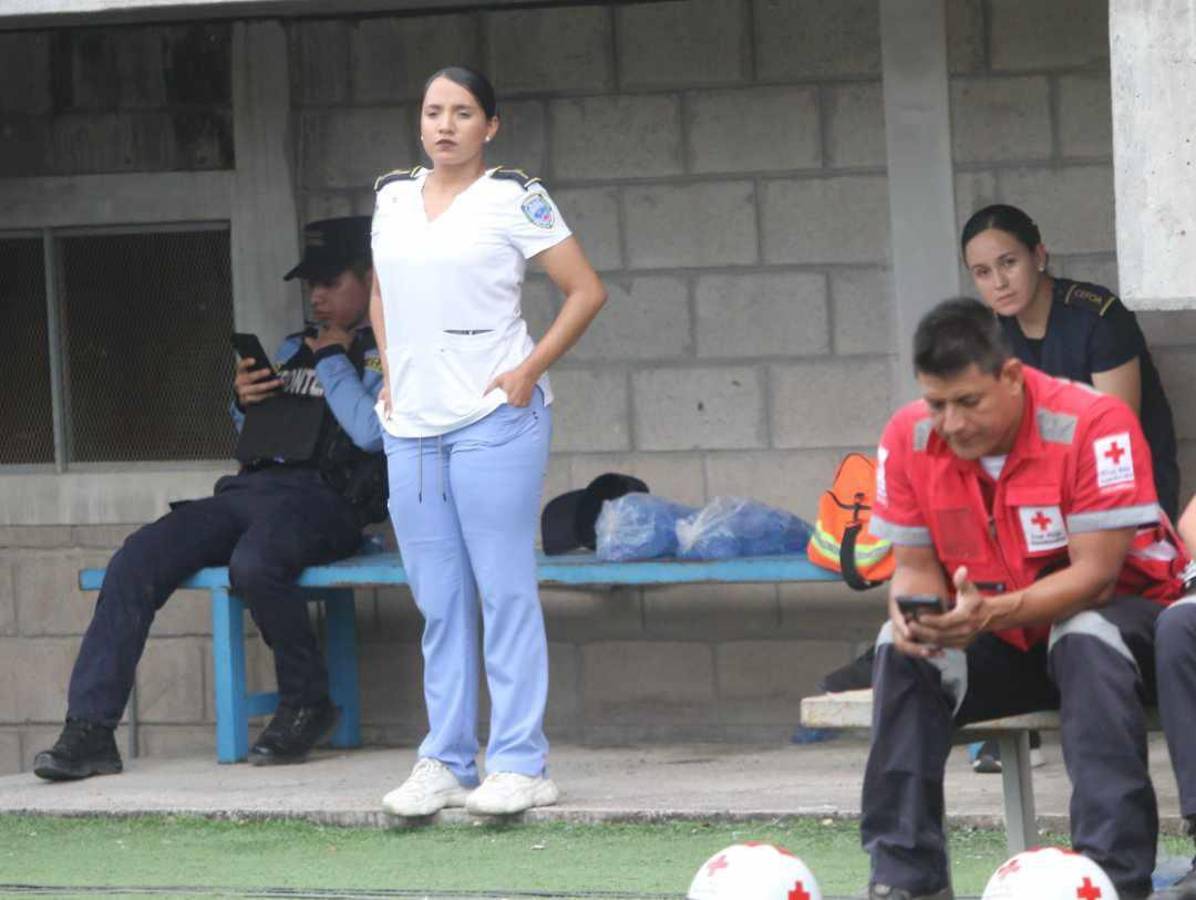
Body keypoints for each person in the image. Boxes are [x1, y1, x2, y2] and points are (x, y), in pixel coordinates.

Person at [860, 298, 1196, 900]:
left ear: (1011, 377)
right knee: (901, 646)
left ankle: (1110, 878)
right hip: (1002, 636)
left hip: (1120, 630)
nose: (952, 423)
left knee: (1085, 631)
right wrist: (921, 617)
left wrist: (990, 612)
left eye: (969, 402)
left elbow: (1094, 576)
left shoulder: (1093, 424)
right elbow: (912, 572)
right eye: (937, 404)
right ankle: (905, 880)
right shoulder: (908, 436)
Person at [33, 217, 386, 780]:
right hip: (251, 490)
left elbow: (372, 432)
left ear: (371, 278)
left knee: (256, 564)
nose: (316, 296)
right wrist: (243, 400)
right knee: (137, 558)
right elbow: (258, 428)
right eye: (310, 284)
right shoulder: (296, 346)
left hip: (327, 501)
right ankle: (91, 731)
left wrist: (334, 360)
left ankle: (307, 701)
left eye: (331, 281)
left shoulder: (390, 349)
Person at [370, 66, 606, 817]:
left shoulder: (512, 198)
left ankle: (518, 761)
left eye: (463, 113)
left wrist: (528, 369)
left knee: (502, 590)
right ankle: (442, 758)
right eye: (434, 111)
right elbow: (380, 292)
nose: (445, 126)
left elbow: (586, 289)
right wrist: (390, 371)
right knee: (439, 601)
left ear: (490, 126)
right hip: (411, 430)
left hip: (493, 420)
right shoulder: (391, 197)